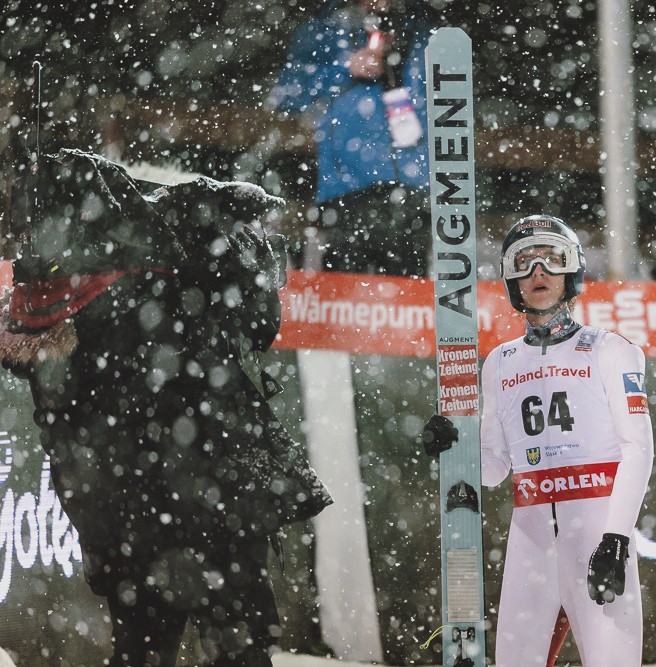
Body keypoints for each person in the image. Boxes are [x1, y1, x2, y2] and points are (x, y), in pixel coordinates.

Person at [0, 148, 333, 666]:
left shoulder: (52, 311)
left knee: (146, 647)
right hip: (214, 503)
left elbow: (71, 443)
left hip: (139, 525)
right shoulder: (174, 273)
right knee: (236, 645)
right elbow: (256, 326)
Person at [422, 215, 655, 666]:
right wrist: (455, 448)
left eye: (552, 259)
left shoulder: (611, 349)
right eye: (524, 262)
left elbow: (637, 449)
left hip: (597, 532)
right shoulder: (500, 362)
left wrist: (615, 538)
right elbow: (494, 468)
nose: (538, 272)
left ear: (572, 270)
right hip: (531, 538)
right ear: (511, 279)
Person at [269, 0, 440, 276]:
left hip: (410, 191)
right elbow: (287, 93)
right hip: (346, 189)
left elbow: (445, 104)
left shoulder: (427, 33)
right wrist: (345, 67)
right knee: (345, 293)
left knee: (406, 296)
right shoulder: (326, 29)